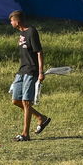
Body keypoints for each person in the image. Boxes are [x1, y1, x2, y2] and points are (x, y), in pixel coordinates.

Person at [8, 10, 51, 141]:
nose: (10, 23)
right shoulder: (21, 33)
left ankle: (25, 134)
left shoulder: (32, 31)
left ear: (17, 21)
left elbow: (39, 52)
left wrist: (40, 72)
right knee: (16, 100)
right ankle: (41, 118)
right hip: (21, 71)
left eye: (11, 21)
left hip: (31, 71)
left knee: (26, 102)